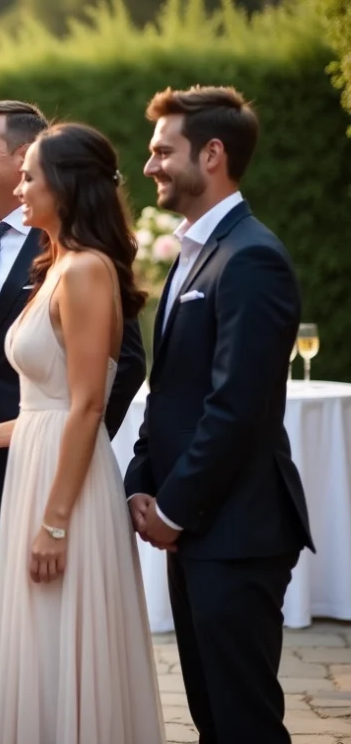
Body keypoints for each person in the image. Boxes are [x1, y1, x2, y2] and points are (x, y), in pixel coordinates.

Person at [0, 123, 163, 743]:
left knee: (65, 643)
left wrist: (57, 520)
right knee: (31, 643)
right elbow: (51, 401)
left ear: (63, 186)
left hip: (64, 492)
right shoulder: (59, 264)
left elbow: (89, 405)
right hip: (32, 470)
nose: (23, 183)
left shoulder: (89, 271)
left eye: (33, 174)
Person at [126, 86, 312, 744]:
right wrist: (139, 481)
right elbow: (169, 387)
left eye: (162, 151)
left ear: (212, 154)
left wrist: (173, 508)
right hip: (201, 526)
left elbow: (237, 406)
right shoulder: (194, 249)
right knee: (210, 711)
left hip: (238, 530)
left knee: (243, 720)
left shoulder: (252, 256)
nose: (150, 165)